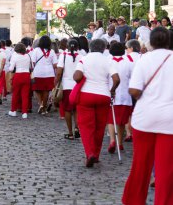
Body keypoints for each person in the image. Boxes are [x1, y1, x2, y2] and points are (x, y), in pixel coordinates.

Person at [122, 27, 173, 205]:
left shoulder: (144, 59)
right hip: (169, 121)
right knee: (166, 170)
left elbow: (134, 90)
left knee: (141, 165)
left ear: (151, 41)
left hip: (145, 120)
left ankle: (134, 201)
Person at [73, 39, 120, 167]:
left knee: (86, 127)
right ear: (104, 48)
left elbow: (77, 77)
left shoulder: (84, 59)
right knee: (99, 127)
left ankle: (90, 153)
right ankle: (96, 155)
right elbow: (116, 79)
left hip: (86, 95)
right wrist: (112, 90)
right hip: (103, 95)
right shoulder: (108, 60)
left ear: (90, 47)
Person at [107, 42, 133, 154]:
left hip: (110, 93)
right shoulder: (129, 62)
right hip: (125, 95)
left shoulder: (108, 61)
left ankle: (112, 140)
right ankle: (120, 143)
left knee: (110, 120)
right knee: (121, 121)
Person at [55, 39, 82, 140]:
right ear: (77, 47)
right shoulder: (81, 56)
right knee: (76, 109)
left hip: (66, 85)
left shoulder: (64, 55)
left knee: (67, 109)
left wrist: (56, 82)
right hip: (77, 86)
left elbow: (59, 72)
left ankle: (70, 132)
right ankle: (77, 128)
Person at [31, 36, 58, 115]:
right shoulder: (52, 51)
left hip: (38, 72)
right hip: (49, 73)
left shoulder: (36, 50)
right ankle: (44, 107)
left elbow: (33, 62)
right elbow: (55, 64)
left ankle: (41, 105)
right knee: (46, 90)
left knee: (37, 89)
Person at [8, 43, 32, 119]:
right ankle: (24, 112)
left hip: (18, 75)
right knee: (25, 95)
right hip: (26, 75)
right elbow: (31, 66)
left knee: (15, 94)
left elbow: (11, 69)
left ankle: (13, 111)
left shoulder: (15, 56)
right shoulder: (28, 56)